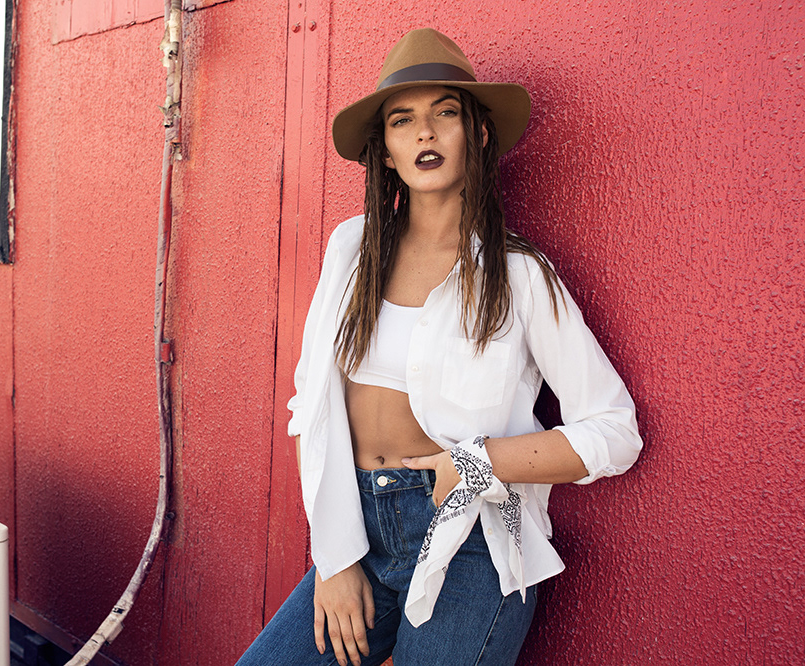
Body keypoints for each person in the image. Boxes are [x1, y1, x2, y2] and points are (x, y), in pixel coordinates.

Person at [237, 28, 642, 666]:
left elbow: (615, 431)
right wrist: (334, 558)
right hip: (359, 533)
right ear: (385, 151)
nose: (424, 132)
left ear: (476, 134)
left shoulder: (519, 276)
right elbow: (308, 407)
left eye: (444, 113)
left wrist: (480, 463)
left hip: (470, 541)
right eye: (402, 120)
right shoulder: (350, 250)